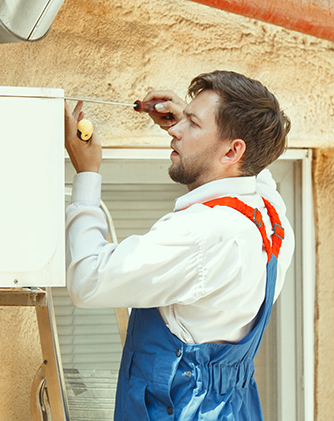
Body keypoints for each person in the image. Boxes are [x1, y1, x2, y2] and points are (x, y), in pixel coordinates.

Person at [63, 70, 295, 420]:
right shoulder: (271, 215)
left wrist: (86, 174)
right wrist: (195, 123)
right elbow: (255, 169)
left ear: (233, 150)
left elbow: (90, 281)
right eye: (181, 120)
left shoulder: (199, 232)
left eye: (192, 124)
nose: (174, 130)